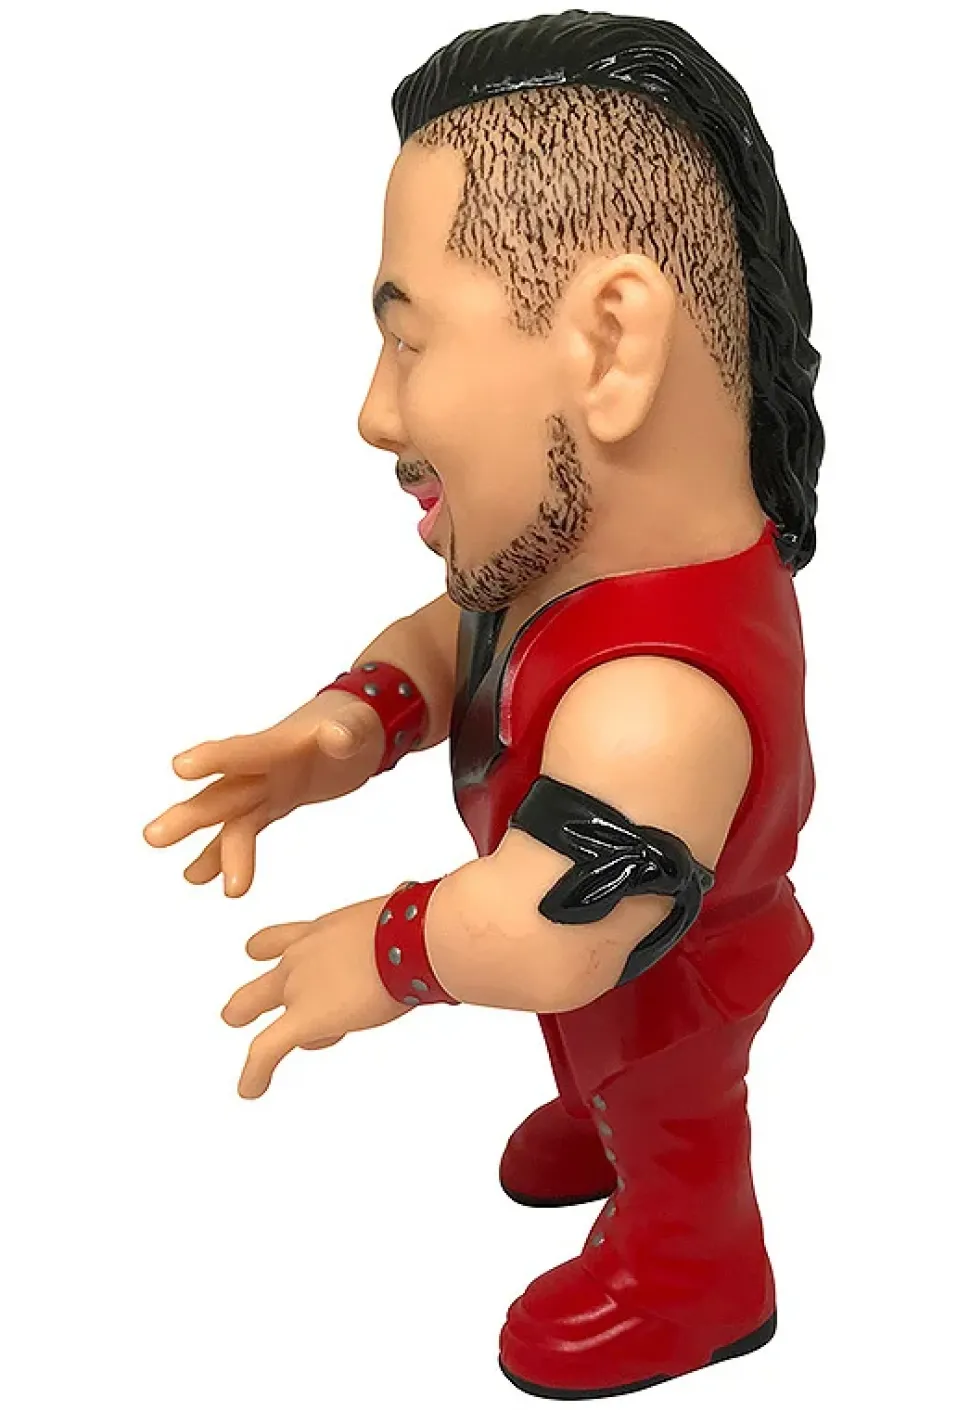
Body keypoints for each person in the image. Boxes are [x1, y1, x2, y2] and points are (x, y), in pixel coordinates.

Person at [144, 11, 823, 1399]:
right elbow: (455, 642)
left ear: (611, 345)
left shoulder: (656, 705)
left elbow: (547, 932)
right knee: (592, 1055)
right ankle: (603, 1120)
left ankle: (695, 1266)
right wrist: (349, 724)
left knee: (665, 1093)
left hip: (666, 979)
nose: (375, 414)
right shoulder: (565, 566)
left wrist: (383, 948)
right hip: (599, 961)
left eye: (410, 344)